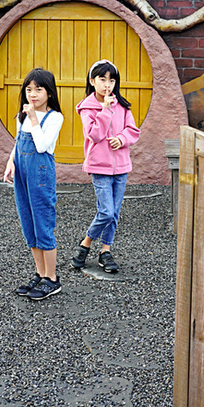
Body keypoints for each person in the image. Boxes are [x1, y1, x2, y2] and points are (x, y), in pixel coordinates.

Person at [71, 59, 141, 274]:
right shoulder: (87, 108)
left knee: (115, 212)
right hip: (99, 167)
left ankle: (105, 251)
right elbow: (94, 134)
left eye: (111, 80)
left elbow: (133, 130)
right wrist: (105, 110)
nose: (107, 85)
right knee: (106, 212)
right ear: (92, 81)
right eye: (102, 79)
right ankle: (86, 243)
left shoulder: (123, 105)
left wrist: (122, 138)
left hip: (121, 166)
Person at [3, 67, 64, 300]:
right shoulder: (23, 116)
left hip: (40, 175)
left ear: (49, 92)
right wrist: (11, 162)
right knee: (28, 223)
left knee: (42, 224)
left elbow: (41, 146)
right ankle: (39, 274)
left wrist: (33, 118)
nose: (33, 94)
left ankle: (52, 278)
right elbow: (18, 142)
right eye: (29, 89)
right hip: (22, 173)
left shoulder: (54, 117)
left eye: (39, 89)